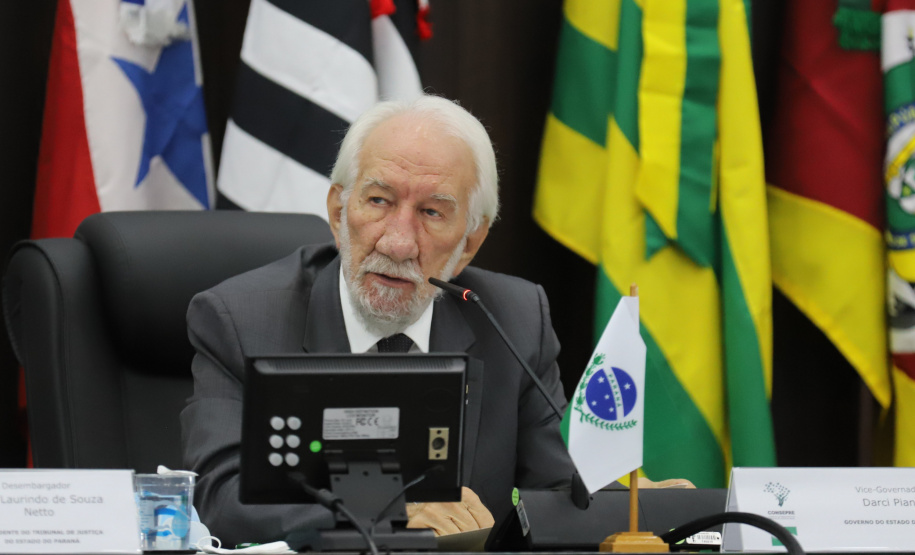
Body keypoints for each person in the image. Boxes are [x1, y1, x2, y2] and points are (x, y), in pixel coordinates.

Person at [181, 95, 685, 546]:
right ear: (339, 211)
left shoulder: (512, 317)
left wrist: (637, 507)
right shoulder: (241, 319)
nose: (398, 242)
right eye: (379, 201)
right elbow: (221, 499)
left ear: (470, 241)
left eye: (432, 213)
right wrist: (393, 514)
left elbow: (558, 487)